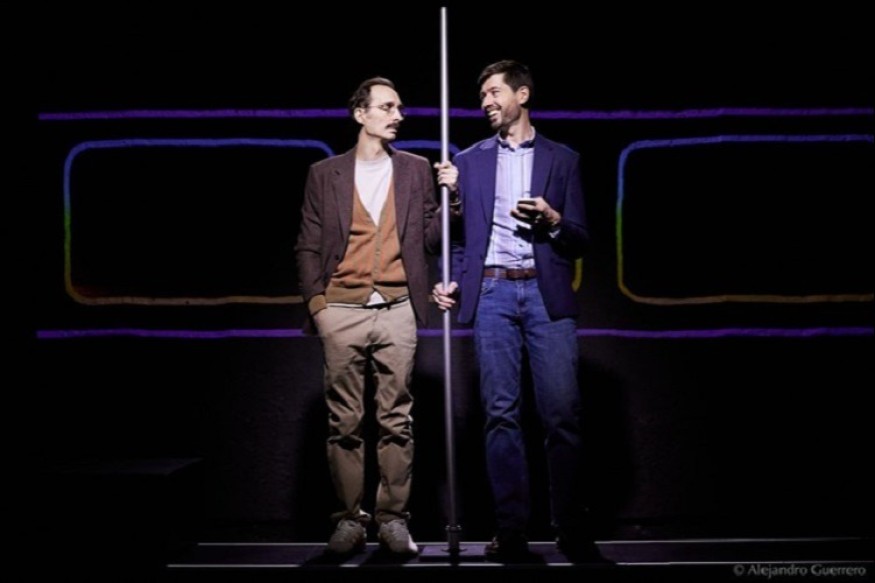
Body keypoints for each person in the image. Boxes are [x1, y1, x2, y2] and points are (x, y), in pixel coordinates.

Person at [433, 60, 599, 562]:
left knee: (562, 414)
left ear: (521, 95)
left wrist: (552, 219)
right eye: (482, 95)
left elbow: (579, 239)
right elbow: (455, 239)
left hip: (545, 295)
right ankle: (511, 529)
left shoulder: (562, 159)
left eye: (494, 92)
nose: (485, 102)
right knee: (500, 415)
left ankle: (570, 526)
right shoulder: (469, 161)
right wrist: (453, 270)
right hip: (493, 293)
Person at [296, 77, 440, 556]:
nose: (398, 115)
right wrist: (318, 306)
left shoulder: (416, 169)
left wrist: (453, 198)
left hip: (397, 308)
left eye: (399, 108)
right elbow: (308, 243)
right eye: (388, 107)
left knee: (397, 421)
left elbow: (432, 239)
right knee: (345, 423)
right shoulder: (325, 173)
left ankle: (392, 519)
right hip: (341, 309)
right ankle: (349, 519)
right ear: (361, 114)